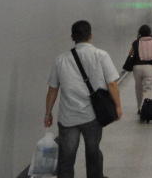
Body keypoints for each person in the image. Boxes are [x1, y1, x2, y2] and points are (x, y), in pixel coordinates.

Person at [44, 20, 123, 178]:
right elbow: (112, 84)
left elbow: (53, 89)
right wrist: (118, 106)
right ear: (90, 35)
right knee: (93, 152)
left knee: (66, 157)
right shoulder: (101, 55)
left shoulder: (61, 59)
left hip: (68, 117)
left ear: (72, 37)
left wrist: (48, 113)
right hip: (92, 116)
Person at [129, 24, 152, 114]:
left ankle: (139, 108)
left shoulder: (136, 42)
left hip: (136, 67)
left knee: (138, 88)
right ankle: (145, 108)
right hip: (149, 67)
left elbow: (130, 54)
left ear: (140, 32)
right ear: (150, 32)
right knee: (147, 89)